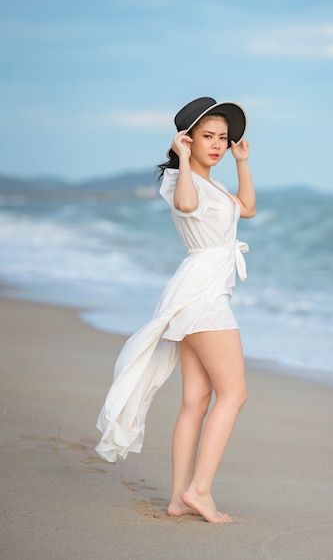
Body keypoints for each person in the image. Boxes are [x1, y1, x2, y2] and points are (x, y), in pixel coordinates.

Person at [95, 97, 256, 524]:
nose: (218, 144)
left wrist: (241, 163)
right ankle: (200, 489)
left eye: (223, 137)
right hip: (202, 295)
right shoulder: (177, 179)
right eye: (209, 137)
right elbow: (185, 205)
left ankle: (178, 498)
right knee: (234, 394)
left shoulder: (216, 183)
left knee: (197, 399)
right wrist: (183, 159)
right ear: (187, 139)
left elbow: (249, 209)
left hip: (199, 290)